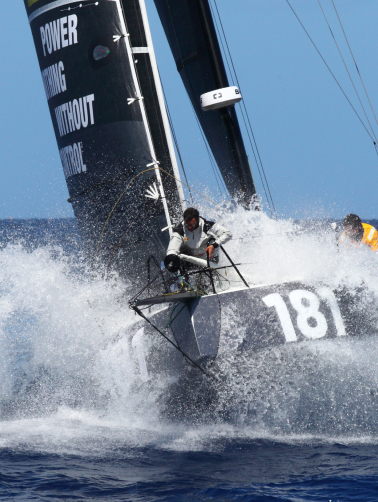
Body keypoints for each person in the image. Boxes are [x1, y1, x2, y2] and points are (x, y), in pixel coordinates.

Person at [164, 207, 232, 272]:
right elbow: (172, 250)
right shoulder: (180, 231)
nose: (190, 227)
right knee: (180, 260)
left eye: (193, 225)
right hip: (193, 260)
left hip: (210, 258)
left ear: (198, 220)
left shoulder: (207, 226)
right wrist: (171, 259)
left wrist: (214, 245)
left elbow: (228, 234)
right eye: (187, 225)